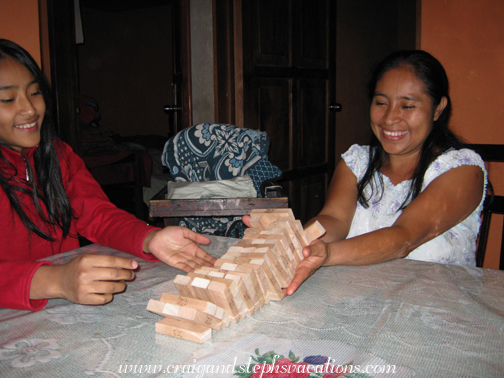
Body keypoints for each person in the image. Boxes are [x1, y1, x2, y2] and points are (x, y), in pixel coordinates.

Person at [0, 39, 216, 311]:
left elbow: (97, 215)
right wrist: (53, 280)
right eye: (7, 99)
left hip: (60, 311)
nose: (30, 110)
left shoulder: (58, 155)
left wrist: (148, 238)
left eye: (34, 93)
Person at [278, 50, 487, 295]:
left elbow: (404, 238)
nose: (389, 118)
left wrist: (328, 254)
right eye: (381, 103)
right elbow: (333, 220)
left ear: (438, 108)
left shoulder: (462, 169)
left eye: (407, 105)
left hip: (435, 309)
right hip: (359, 302)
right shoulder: (357, 162)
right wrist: (292, 244)